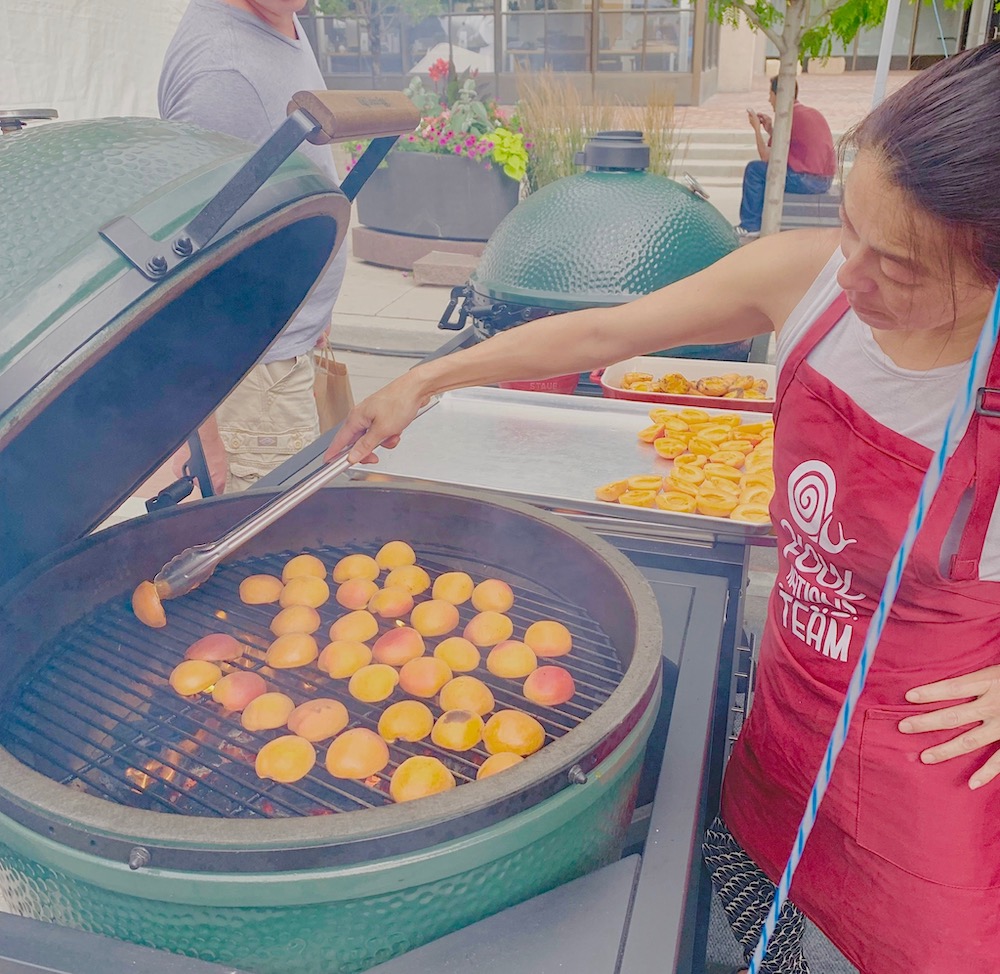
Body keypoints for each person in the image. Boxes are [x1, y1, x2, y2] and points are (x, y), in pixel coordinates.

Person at [327, 44, 1000, 974]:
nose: (849, 280)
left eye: (899, 267)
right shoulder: (808, 281)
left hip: (930, 766)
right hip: (790, 699)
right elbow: (610, 329)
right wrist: (430, 377)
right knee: (751, 892)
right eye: (849, 228)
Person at [158, 0, 347, 492]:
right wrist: (201, 433)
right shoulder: (224, 72)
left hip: (281, 348)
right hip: (251, 382)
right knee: (269, 556)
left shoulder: (280, 17)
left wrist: (313, 305)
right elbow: (188, 266)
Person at [736, 76, 836, 239]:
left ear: (780, 95)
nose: (769, 100)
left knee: (754, 170)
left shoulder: (788, 117)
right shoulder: (808, 113)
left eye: (771, 95)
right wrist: (770, 130)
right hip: (824, 179)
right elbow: (789, 147)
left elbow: (766, 156)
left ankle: (750, 225)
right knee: (762, 170)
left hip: (807, 180)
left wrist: (756, 129)